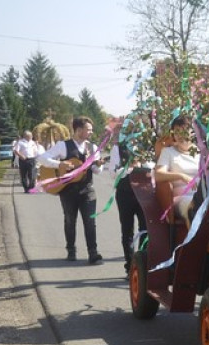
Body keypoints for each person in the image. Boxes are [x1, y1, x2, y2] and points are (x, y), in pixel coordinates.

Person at [37, 116, 105, 264]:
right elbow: (42, 158)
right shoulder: (63, 146)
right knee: (70, 220)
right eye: (89, 130)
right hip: (68, 190)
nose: (91, 133)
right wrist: (58, 164)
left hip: (87, 190)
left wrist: (98, 164)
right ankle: (71, 250)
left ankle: (93, 253)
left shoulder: (92, 148)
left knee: (90, 221)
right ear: (79, 130)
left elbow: (96, 170)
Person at [109, 120, 146, 277]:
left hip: (144, 193)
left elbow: (153, 166)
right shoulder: (117, 148)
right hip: (125, 193)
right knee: (127, 230)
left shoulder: (146, 148)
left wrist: (141, 165)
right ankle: (130, 266)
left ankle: (144, 264)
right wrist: (129, 168)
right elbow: (112, 172)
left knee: (145, 229)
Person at [155, 115, 199, 223]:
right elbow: (158, 174)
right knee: (192, 207)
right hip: (181, 198)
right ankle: (191, 240)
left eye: (184, 130)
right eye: (176, 131)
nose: (180, 134)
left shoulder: (201, 151)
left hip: (201, 194)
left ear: (192, 132)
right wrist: (181, 176)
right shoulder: (168, 152)